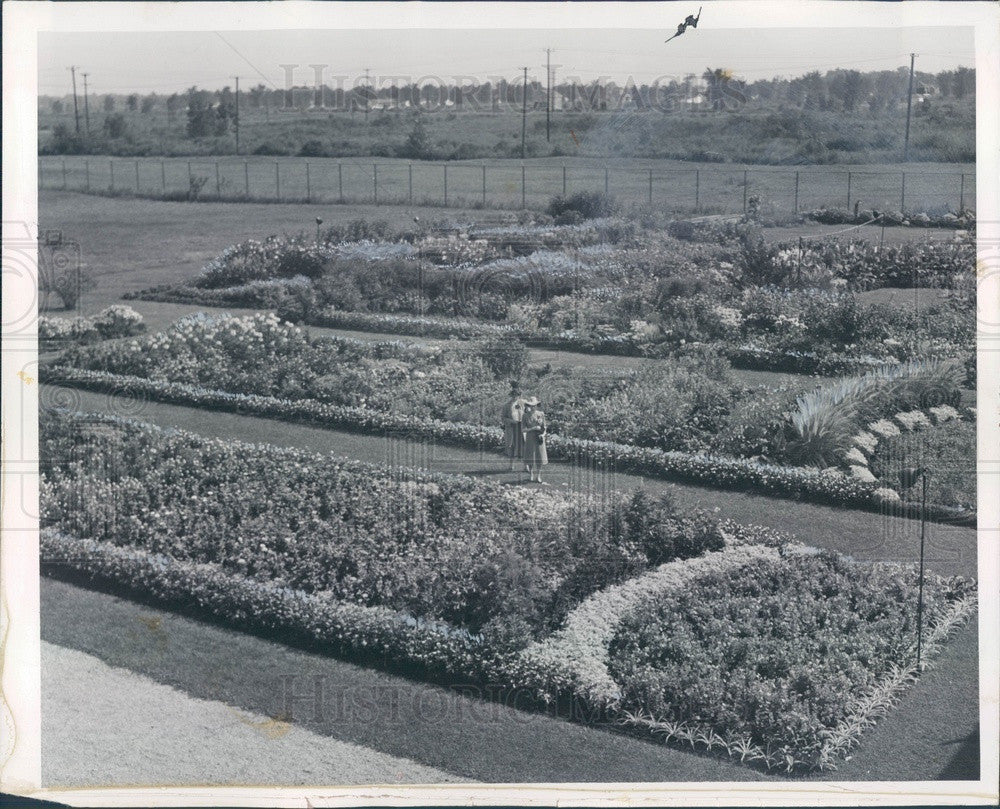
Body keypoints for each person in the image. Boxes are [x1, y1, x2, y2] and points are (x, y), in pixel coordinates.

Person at [521, 397, 549, 483]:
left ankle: (539, 475)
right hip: (530, 438)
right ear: (528, 406)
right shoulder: (525, 416)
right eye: (531, 406)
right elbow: (523, 429)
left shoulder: (541, 414)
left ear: (537, 405)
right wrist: (533, 428)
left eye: (534, 406)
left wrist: (543, 434)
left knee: (539, 457)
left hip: (539, 438)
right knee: (530, 457)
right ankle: (531, 474)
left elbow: (544, 427)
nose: (533, 407)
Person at [500, 383, 525, 471]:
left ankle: (526, 466)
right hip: (512, 428)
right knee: (512, 445)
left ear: (519, 396)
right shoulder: (506, 406)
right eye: (513, 395)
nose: (515, 397)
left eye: (517, 395)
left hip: (521, 427)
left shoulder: (522, 404)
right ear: (511, 396)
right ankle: (511, 465)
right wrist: (511, 421)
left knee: (523, 445)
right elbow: (503, 418)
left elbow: (526, 414)